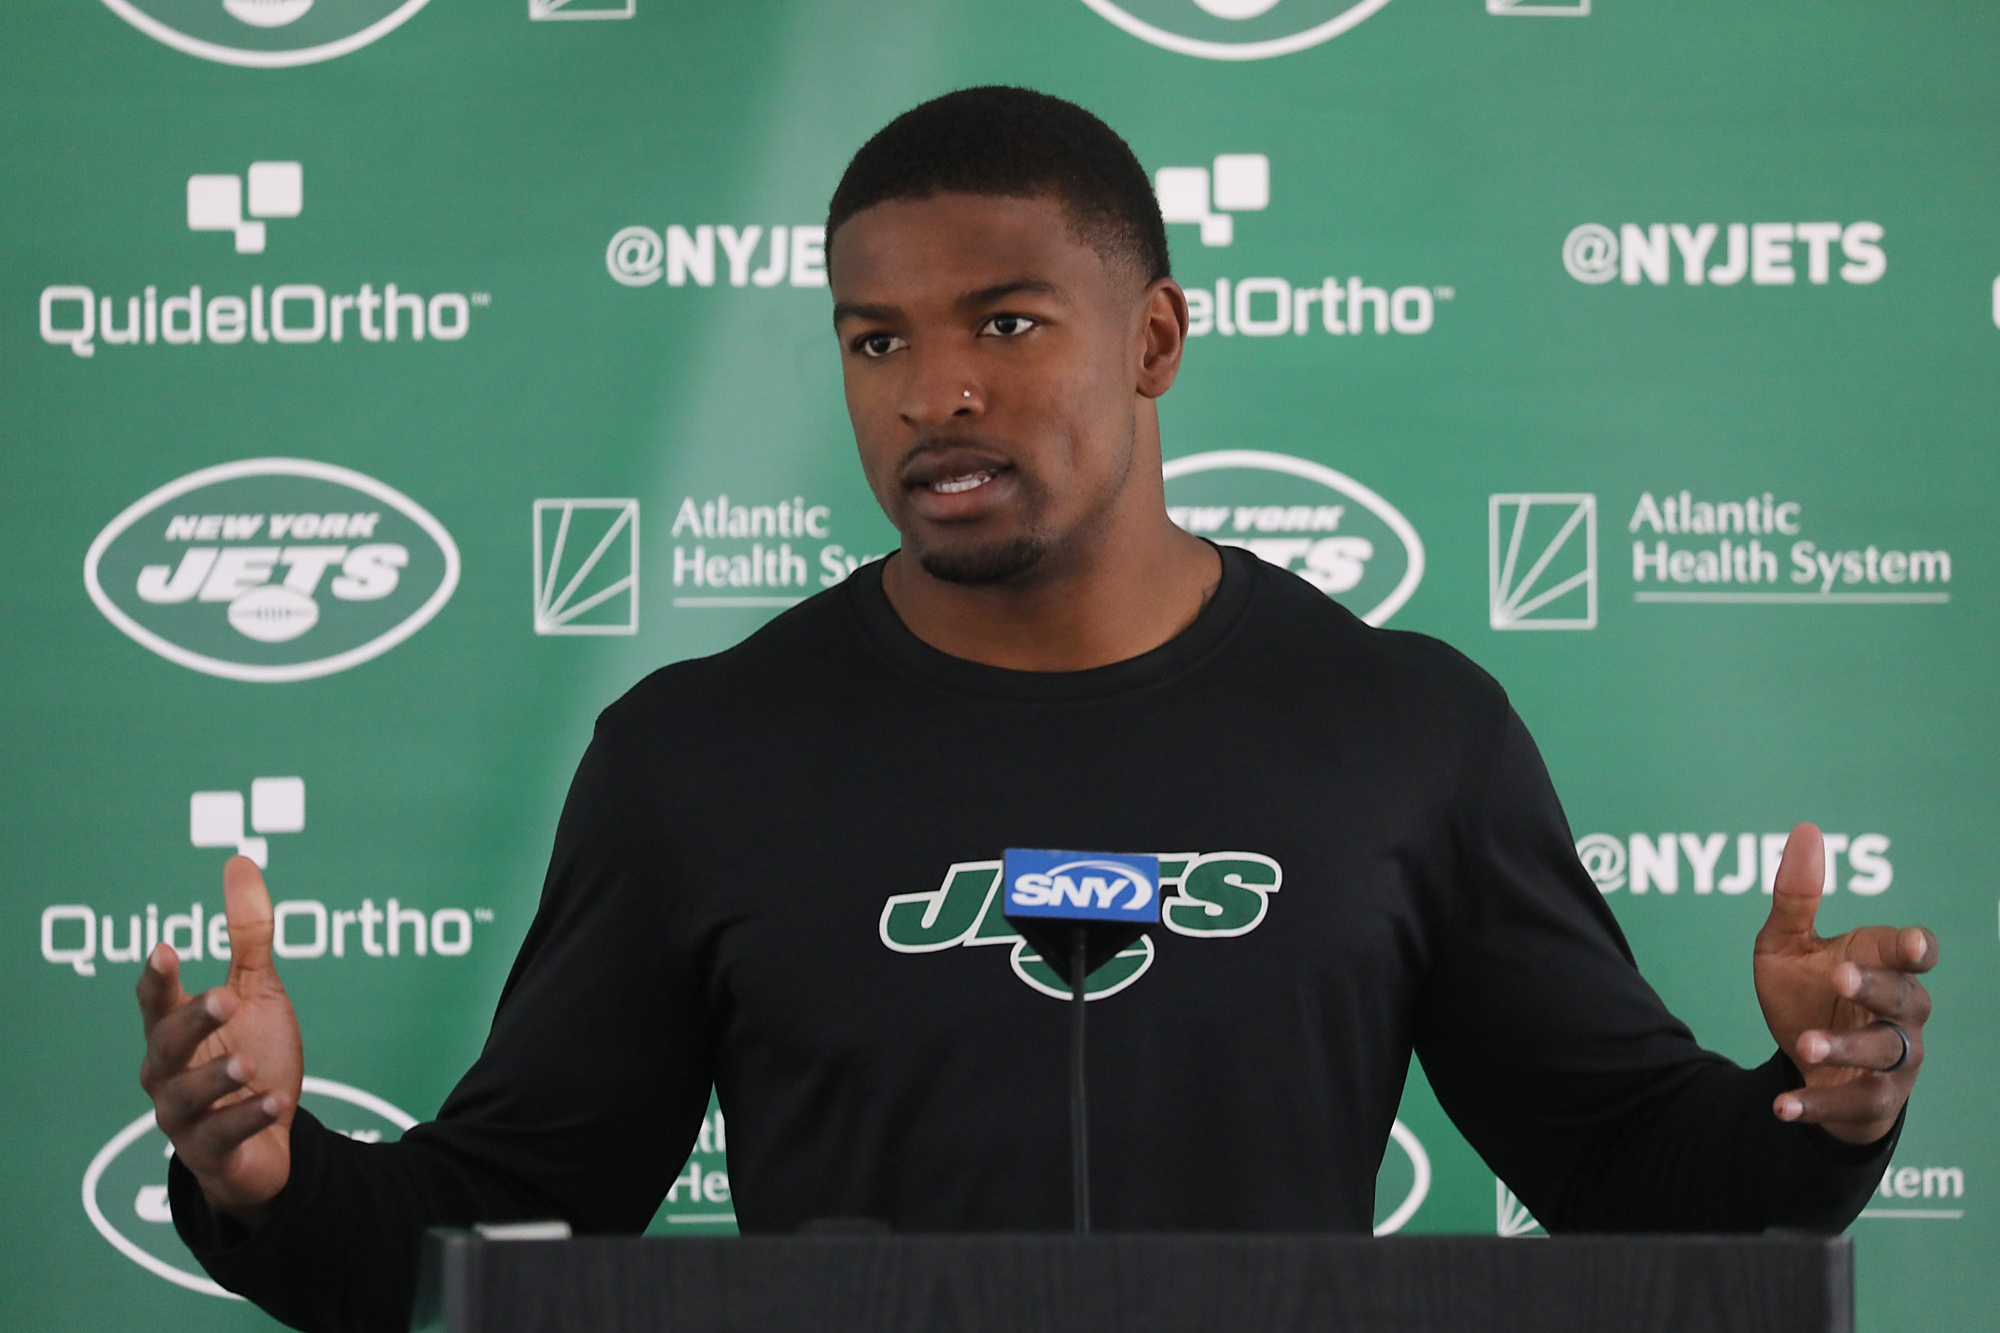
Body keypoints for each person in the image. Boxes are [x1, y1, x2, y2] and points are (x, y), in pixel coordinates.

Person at [136, 87, 1937, 1333]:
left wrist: (1818, 1105)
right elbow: (499, 1229)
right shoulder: (697, 757)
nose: (934, 394)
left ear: (1152, 338)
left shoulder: (1408, 731)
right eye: (877, 341)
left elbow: (1635, 1181)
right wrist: (271, 1180)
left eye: (1004, 324)